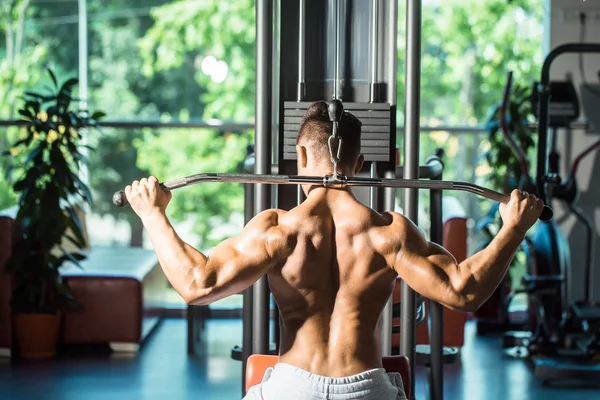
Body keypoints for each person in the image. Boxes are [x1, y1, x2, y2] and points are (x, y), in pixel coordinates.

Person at [125, 101, 544, 400]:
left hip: (293, 388)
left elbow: (197, 284)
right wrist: (513, 228)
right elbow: (463, 290)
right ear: (359, 163)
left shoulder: (279, 230)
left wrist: (152, 214)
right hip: (366, 388)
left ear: (301, 155)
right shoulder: (389, 232)